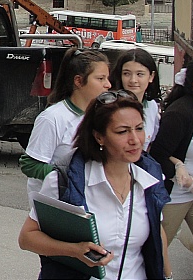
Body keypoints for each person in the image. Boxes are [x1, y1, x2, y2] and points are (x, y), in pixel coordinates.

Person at [18, 89, 171, 279]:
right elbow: (27, 238)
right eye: (122, 131)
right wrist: (75, 250)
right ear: (99, 137)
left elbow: (158, 232)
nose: (135, 140)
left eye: (139, 128)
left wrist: (168, 275)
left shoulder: (150, 177)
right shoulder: (65, 180)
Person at [20, 48, 111, 199]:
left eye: (107, 78)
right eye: (100, 79)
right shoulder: (53, 118)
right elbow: (30, 165)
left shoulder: (100, 116)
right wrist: (68, 177)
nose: (108, 84)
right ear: (79, 81)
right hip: (56, 202)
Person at [151, 57, 193, 269]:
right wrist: (189, 182)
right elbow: (157, 156)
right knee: (154, 252)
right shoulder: (181, 113)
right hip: (175, 194)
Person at [111, 48, 162, 149]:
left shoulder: (152, 106)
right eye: (126, 74)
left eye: (140, 74)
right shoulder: (111, 106)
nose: (133, 80)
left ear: (151, 76)